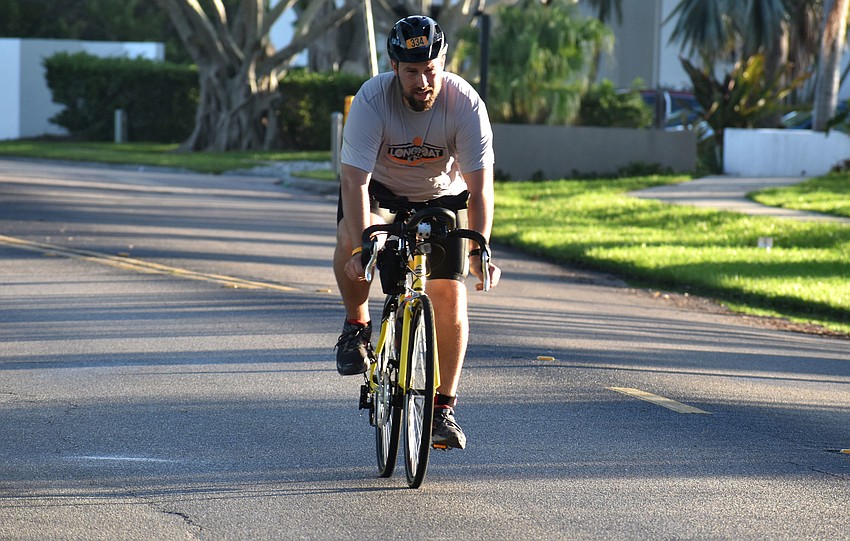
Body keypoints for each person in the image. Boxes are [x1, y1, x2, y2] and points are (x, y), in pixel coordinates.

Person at [333, 14, 500, 450]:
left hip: (441, 198)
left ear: (443, 63)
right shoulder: (372, 100)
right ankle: (356, 325)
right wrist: (362, 246)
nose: (423, 81)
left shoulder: (465, 103)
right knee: (352, 241)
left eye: (430, 69)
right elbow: (354, 182)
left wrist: (480, 247)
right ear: (394, 67)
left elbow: (480, 188)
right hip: (381, 194)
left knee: (450, 293)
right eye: (412, 72)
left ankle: (442, 409)